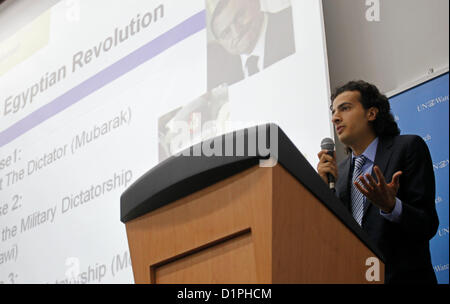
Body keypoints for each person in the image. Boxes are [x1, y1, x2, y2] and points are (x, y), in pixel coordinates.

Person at [317, 80, 439, 284]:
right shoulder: (340, 173)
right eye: (333, 112)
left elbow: (427, 225)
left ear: (371, 113)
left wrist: (392, 206)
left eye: (345, 108)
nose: (335, 118)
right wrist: (321, 190)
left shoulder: (408, 148)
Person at [207, 0, 296, 90]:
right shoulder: (223, 71)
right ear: (221, 43)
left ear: (255, 3)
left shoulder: (294, 21)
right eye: (226, 32)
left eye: (240, 16)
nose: (237, 33)